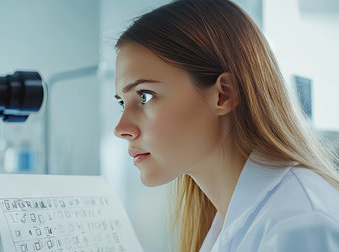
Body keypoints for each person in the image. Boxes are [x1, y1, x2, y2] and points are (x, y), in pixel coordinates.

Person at [112, 0, 339, 251]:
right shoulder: (229, 219)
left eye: (145, 96)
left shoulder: (300, 224)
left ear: (224, 95)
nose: (121, 128)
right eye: (122, 103)